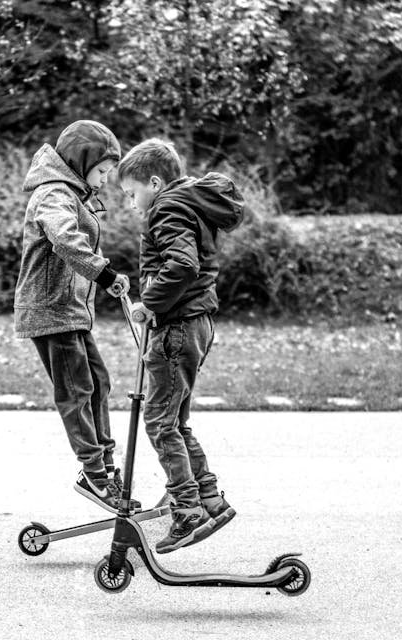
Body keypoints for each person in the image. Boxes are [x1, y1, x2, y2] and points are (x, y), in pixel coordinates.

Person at [118, 138, 246, 553]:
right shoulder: (188, 205)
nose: (132, 204)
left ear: (154, 183)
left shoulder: (168, 208)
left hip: (177, 328)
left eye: (132, 193)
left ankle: (187, 511)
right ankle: (208, 497)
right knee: (174, 420)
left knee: (158, 421)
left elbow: (184, 265)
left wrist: (147, 305)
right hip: (195, 324)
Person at [14, 120, 133, 513]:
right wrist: (106, 273)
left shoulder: (72, 193)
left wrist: (102, 279)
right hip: (50, 309)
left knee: (98, 382)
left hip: (71, 309)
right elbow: (65, 238)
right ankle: (94, 473)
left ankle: (105, 466)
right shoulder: (53, 195)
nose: (103, 181)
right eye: (101, 171)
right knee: (77, 389)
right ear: (81, 162)